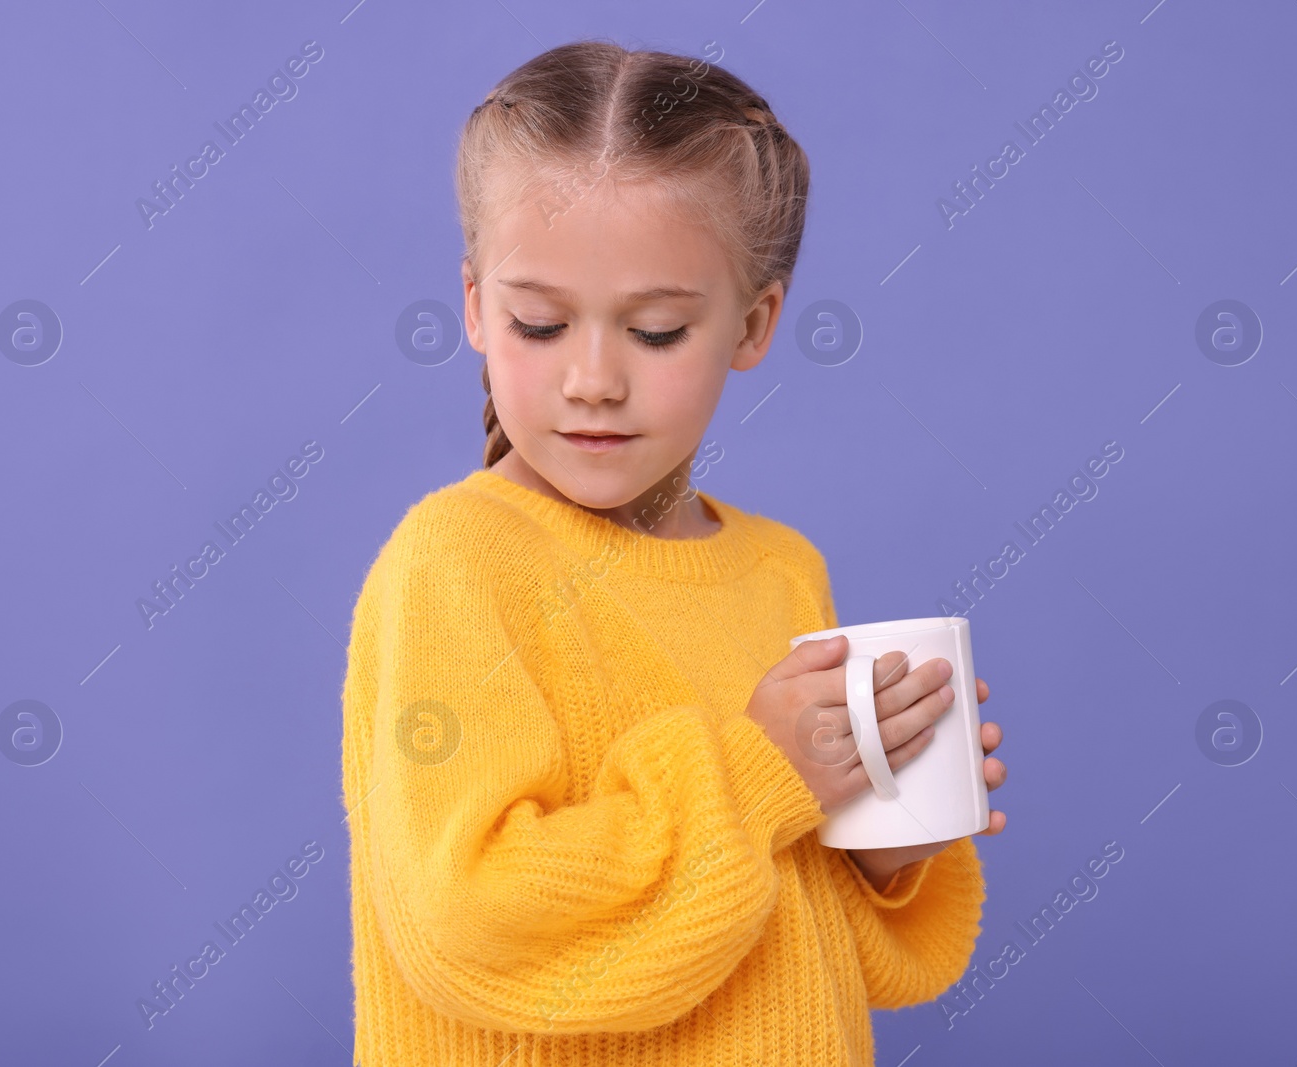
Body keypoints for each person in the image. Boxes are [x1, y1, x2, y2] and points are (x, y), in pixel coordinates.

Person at [340, 38, 1008, 1066]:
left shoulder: (779, 567)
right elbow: (467, 921)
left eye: (654, 332)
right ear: (475, 308)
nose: (593, 378)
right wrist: (760, 769)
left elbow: (782, 927)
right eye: (539, 322)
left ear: (752, 322)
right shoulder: (456, 563)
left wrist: (882, 843)